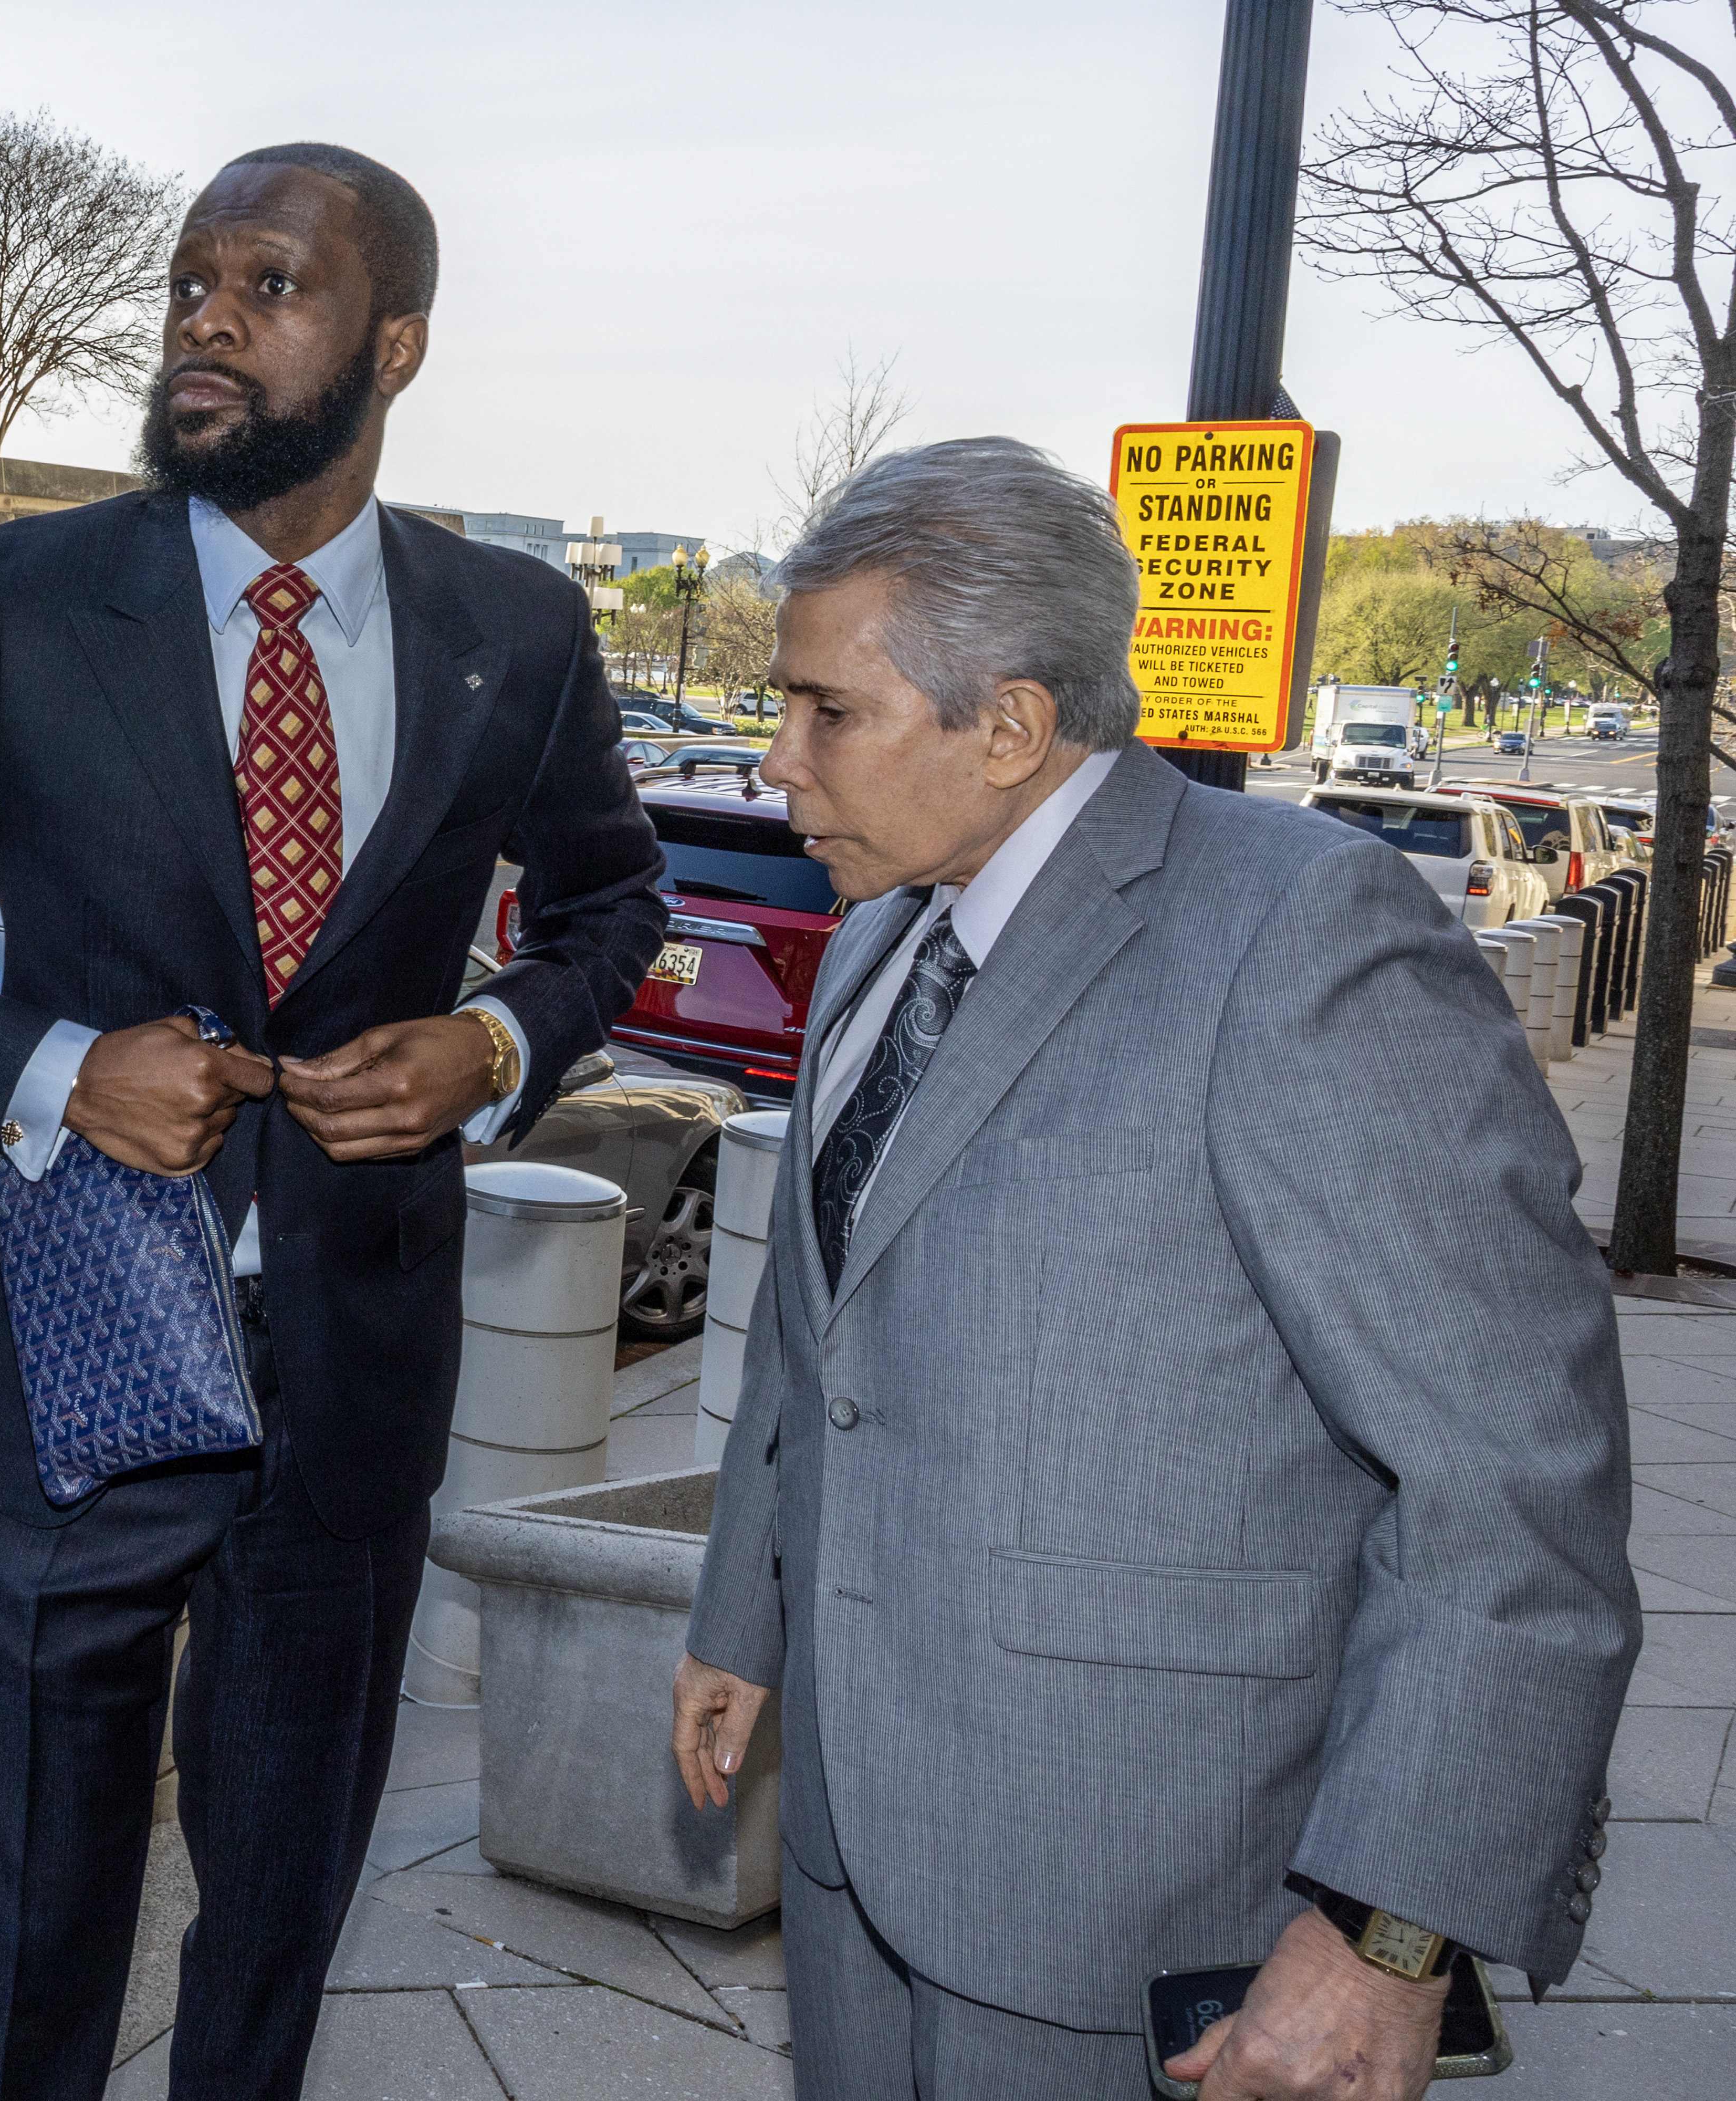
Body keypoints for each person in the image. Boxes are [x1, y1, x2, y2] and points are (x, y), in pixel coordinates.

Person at [0, 145, 663, 2098]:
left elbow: (611, 909)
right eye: (193, 280)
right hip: (74, 1359)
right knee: (30, 1899)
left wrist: (490, 1049)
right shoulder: (33, 596)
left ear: (392, 344)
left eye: (272, 285)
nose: (209, 318)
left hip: (355, 1365)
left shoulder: (516, 629)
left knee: (287, 1885)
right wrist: (50, 1066)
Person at [668, 439, 1638, 2101]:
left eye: (831, 711)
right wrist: (744, 1608)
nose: (779, 761)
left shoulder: (1307, 936)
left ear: (1011, 727)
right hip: (850, 1847)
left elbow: (1509, 1481)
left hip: (1126, 1888)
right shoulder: (887, 938)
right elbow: (813, 1338)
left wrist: (1390, 1933)